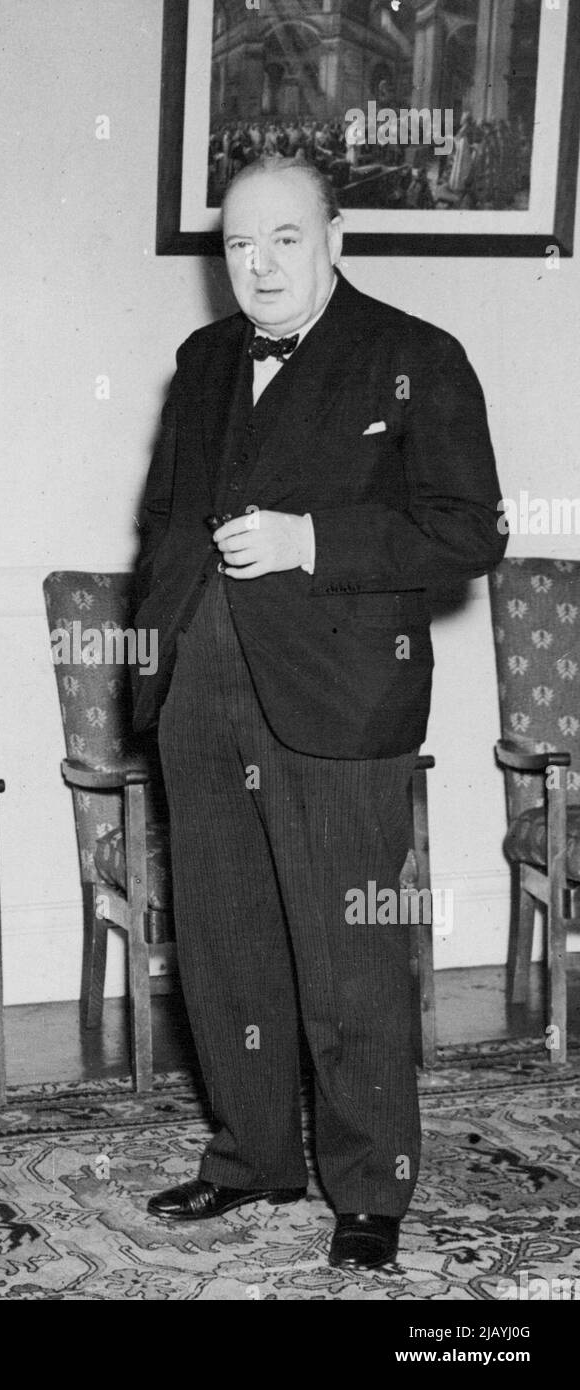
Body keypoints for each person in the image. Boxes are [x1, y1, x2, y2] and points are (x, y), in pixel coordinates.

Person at [132, 157, 505, 1270]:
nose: (259, 265)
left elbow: (468, 531)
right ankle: (251, 1160)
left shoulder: (415, 357)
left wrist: (313, 542)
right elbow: (162, 518)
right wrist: (156, 662)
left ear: (334, 239)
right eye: (240, 245)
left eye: (284, 240)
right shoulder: (202, 360)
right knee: (224, 944)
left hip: (341, 703)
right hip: (203, 690)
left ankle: (368, 1188)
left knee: (349, 955)